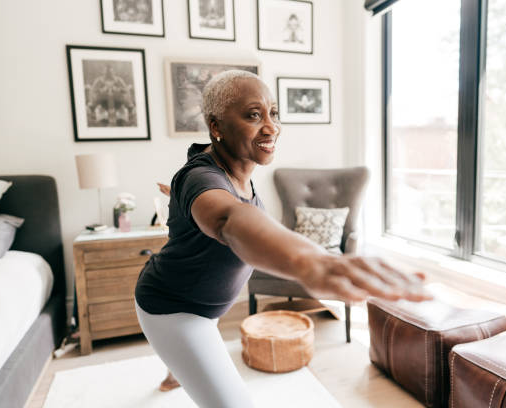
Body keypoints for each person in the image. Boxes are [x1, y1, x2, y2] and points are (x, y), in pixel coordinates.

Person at [134, 70, 431, 408]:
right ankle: (177, 358)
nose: (271, 127)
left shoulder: (229, 171)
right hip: (174, 309)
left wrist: (179, 198)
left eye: (273, 113)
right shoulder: (201, 177)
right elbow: (229, 218)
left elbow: (214, 201)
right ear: (216, 127)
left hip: (205, 303)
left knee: (190, 358)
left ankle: (176, 369)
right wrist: (314, 261)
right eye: (253, 115)